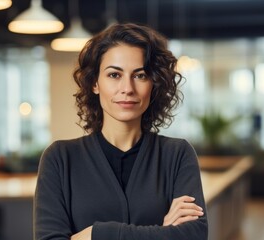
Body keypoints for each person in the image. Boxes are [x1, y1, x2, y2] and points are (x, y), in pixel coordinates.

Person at [34, 23, 208, 240]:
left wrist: (95, 234)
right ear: (95, 83)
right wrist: (163, 233)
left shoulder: (178, 154)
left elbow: (194, 235)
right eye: (114, 75)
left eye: (140, 75)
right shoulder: (60, 158)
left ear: (153, 84)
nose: (127, 88)